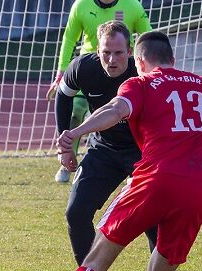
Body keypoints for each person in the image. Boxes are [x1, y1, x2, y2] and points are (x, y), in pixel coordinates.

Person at [52, 30, 202, 271]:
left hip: (155, 180)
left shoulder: (140, 83)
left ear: (138, 61)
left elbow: (115, 110)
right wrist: (199, 132)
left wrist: (77, 131)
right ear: (173, 59)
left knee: (94, 261)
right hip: (199, 190)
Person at [55, 20, 185, 271]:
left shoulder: (145, 72)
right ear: (96, 50)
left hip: (144, 151)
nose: (112, 60)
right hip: (104, 149)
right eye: (106, 53)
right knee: (76, 213)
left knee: (153, 222)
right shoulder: (82, 67)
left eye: (118, 53)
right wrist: (64, 143)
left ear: (130, 52)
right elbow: (63, 95)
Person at [47, 0, 153, 183]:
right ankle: (67, 159)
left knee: (135, 119)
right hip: (90, 75)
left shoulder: (133, 5)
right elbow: (69, 38)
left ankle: (142, 164)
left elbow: (148, 37)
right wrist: (62, 70)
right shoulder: (81, 5)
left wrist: (154, 67)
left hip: (126, 71)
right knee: (75, 112)